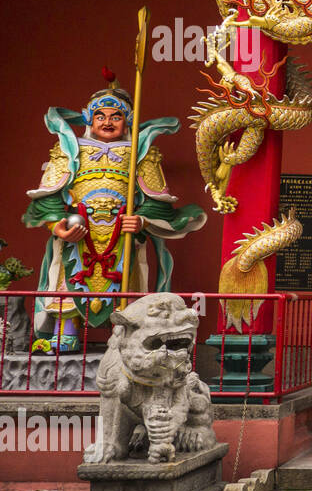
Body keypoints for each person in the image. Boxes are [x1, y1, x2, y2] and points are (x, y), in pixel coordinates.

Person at [23, 72, 206, 352]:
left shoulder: (140, 152)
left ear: (128, 120)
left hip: (121, 233)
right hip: (78, 232)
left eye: (116, 116)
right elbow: (47, 198)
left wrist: (142, 220)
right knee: (67, 280)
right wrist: (58, 228)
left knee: (125, 285)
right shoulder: (68, 150)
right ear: (89, 119)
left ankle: (123, 337)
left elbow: (157, 201)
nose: (107, 122)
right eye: (101, 116)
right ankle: (67, 333)